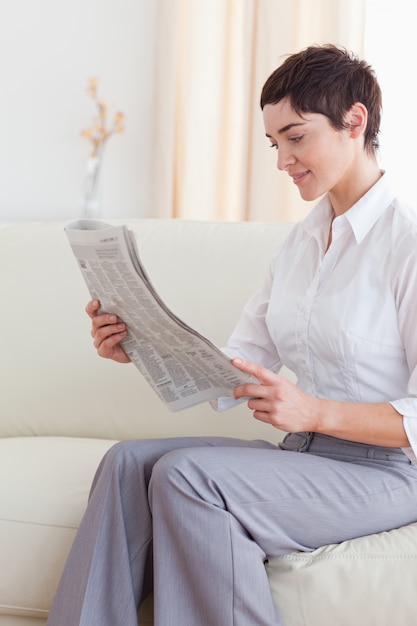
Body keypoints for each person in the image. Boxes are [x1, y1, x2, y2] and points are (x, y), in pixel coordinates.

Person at [47, 44, 417, 626]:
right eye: (275, 144)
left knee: (187, 476)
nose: (282, 161)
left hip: (388, 473)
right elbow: (238, 362)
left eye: (295, 137)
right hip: (306, 459)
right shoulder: (300, 244)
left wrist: (313, 412)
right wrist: (138, 344)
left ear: (355, 120)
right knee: (126, 463)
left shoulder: (408, 242)